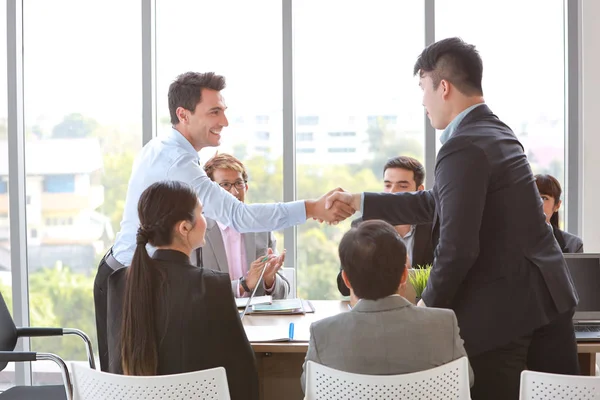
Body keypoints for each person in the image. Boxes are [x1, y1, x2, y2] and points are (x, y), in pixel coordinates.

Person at [326, 37, 579, 400]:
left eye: (423, 89)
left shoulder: (462, 145)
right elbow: (437, 203)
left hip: (506, 316)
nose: (422, 102)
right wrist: (360, 201)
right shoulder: (496, 131)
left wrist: (426, 312)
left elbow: (458, 249)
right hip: (547, 299)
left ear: (442, 86)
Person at [94, 72, 354, 371]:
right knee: (126, 382)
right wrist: (311, 207)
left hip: (139, 276)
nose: (225, 121)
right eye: (214, 112)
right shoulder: (177, 161)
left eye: (224, 111)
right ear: (183, 114)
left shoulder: (167, 148)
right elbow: (238, 216)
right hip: (126, 281)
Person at [106, 180, 258, 400]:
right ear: (184, 227)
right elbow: (243, 374)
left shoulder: (119, 281)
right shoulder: (212, 286)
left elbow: (116, 368)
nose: (206, 220)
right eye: (202, 213)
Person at [301, 220, 473, 394]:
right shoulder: (444, 324)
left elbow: (309, 386)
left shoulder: (322, 333)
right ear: (404, 275)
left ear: (346, 280)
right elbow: (466, 380)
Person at [336, 156, 434, 296]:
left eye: (402, 186)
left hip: (421, 309)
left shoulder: (435, 227)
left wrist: (409, 272)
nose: (392, 192)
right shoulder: (363, 226)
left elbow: (445, 278)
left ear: (420, 191)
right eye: (388, 185)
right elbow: (343, 286)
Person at [197, 152, 289, 299]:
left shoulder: (261, 228)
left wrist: (269, 280)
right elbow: (194, 290)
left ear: (246, 187)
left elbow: (283, 294)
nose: (234, 192)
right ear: (211, 192)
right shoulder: (197, 231)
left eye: (239, 183)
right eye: (225, 185)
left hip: (258, 321)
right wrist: (243, 285)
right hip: (213, 319)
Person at [535, 174, 583, 253]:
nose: (537, 202)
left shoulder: (573, 245)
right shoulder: (511, 241)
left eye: (544, 198)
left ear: (557, 205)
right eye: (533, 196)